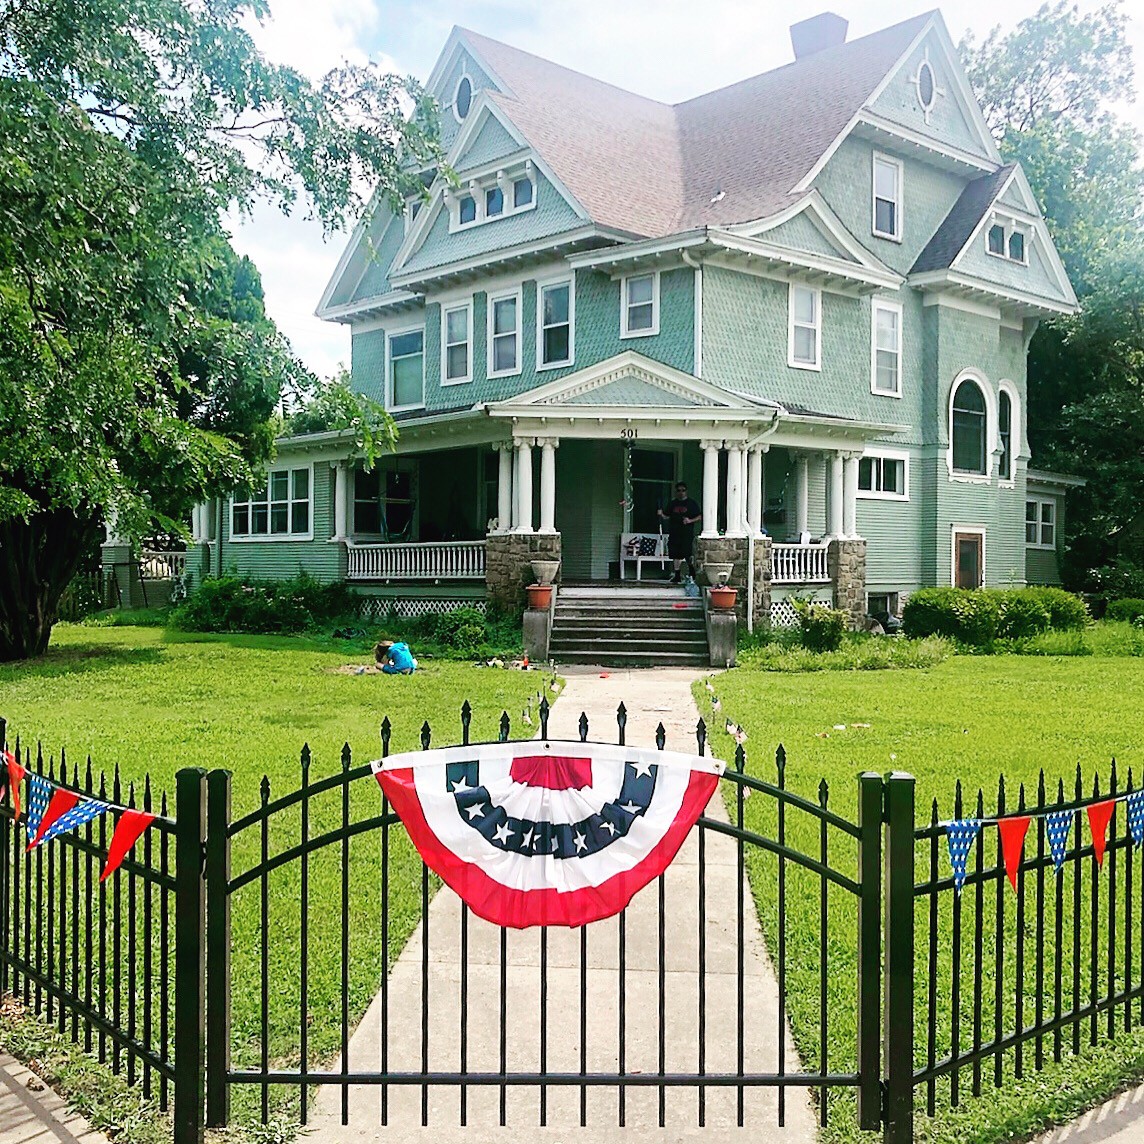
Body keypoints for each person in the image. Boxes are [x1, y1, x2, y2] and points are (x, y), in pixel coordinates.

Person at [658, 481, 702, 583]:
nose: (681, 492)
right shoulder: (673, 504)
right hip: (674, 532)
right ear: (676, 492)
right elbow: (666, 516)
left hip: (686, 532)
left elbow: (700, 516)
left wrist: (690, 520)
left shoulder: (691, 504)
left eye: (683, 490)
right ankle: (677, 574)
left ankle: (691, 571)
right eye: (679, 490)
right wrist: (661, 514)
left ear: (686, 491)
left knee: (687, 552)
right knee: (675, 553)